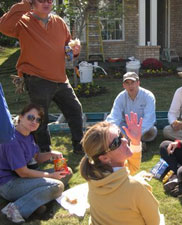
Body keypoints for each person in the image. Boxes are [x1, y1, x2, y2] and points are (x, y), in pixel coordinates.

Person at [0, 0, 84, 154]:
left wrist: (75, 50)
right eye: (41, 0)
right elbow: (4, 26)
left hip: (60, 78)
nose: (47, 3)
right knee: (39, 119)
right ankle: (44, 152)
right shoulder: (23, 21)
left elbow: (67, 48)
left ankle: (79, 146)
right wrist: (26, 3)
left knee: (75, 109)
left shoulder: (59, 22)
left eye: (49, 0)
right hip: (37, 79)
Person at [80, 112, 161, 225]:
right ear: (104, 158)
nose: (125, 140)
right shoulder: (137, 187)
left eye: (120, 135)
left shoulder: (94, 176)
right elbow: (154, 222)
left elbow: (131, 167)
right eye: (116, 142)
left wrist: (136, 141)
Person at [0, 103, 72, 223]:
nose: (34, 122)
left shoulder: (29, 135)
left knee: (66, 172)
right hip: (9, 184)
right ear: (21, 117)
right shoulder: (12, 140)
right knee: (56, 186)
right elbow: (23, 172)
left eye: (38, 120)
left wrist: (50, 154)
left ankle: (34, 204)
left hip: (23, 178)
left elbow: (35, 158)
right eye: (30, 117)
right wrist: (50, 176)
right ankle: (13, 211)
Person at [106, 72, 157, 143]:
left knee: (152, 131)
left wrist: (136, 133)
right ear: (124, 85)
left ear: (138, 83)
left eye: (132, 82)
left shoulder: (148, 96)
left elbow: (149, 119)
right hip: (126, 128)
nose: (130, 86)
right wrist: (110, 129)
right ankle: (134, 142)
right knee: (114, 126)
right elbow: (114, 116)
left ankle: (128, 141)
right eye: (127, 83)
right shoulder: (120, 97)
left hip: (142, 129)